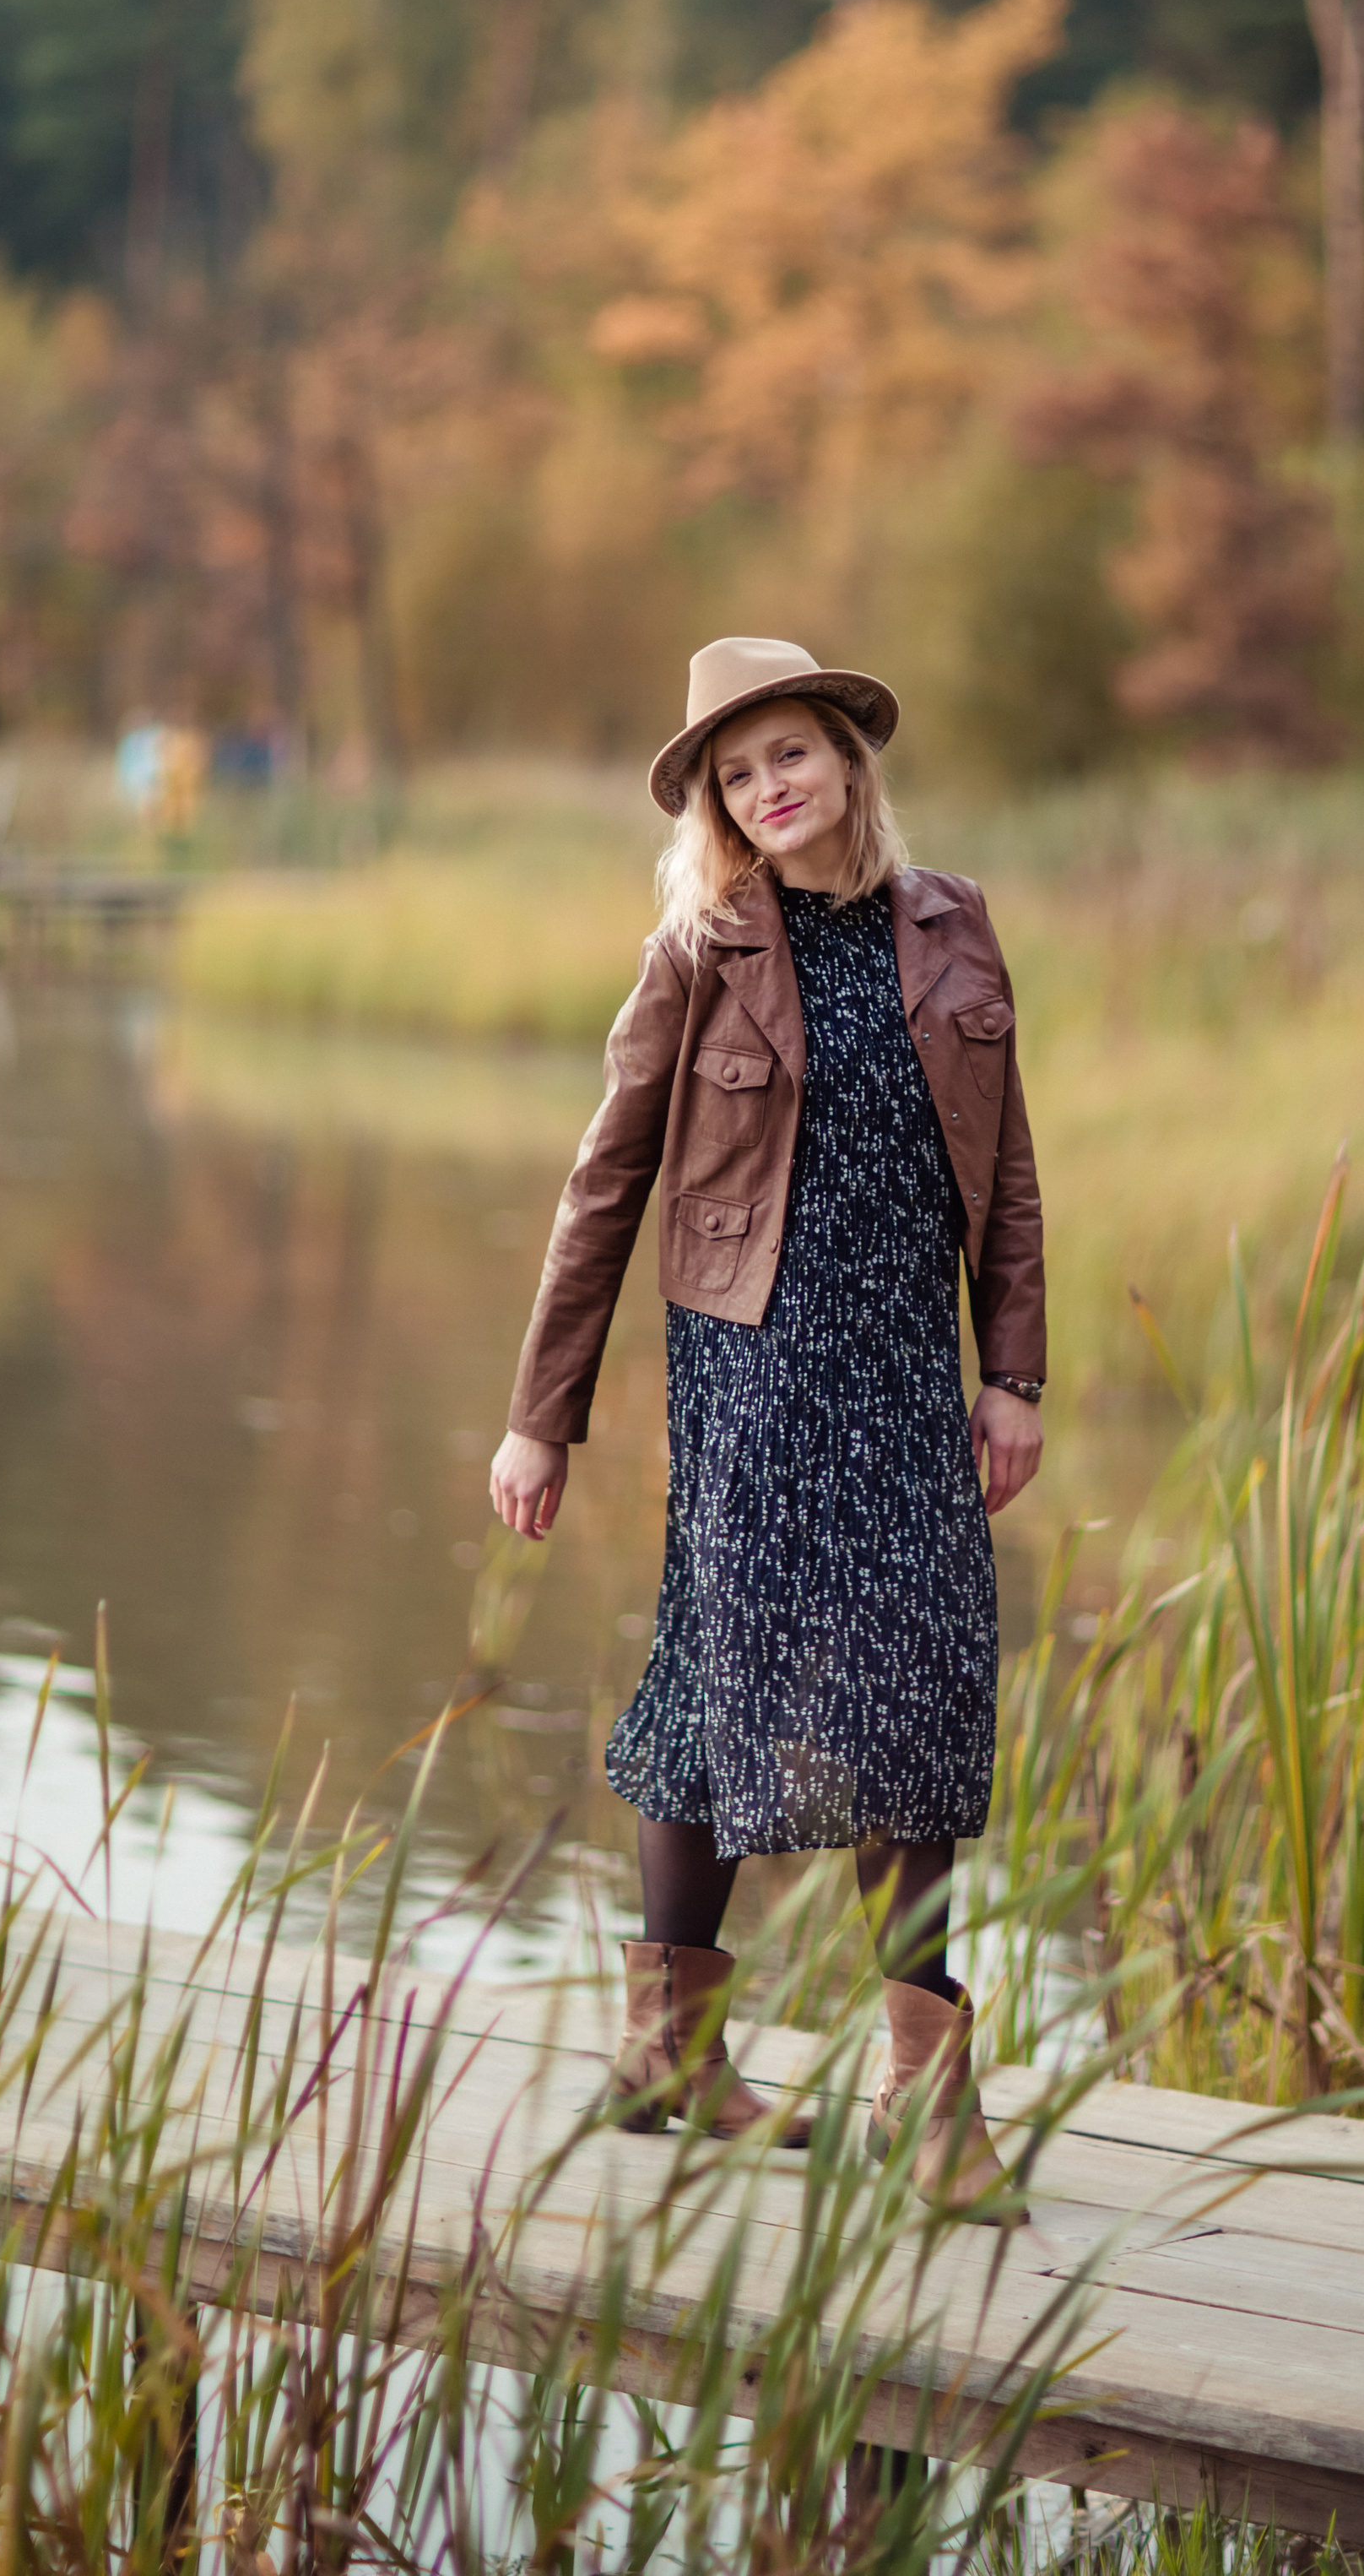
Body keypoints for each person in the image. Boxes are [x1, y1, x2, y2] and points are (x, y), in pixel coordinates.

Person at [490, 637, 1046, 2223]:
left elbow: (1006, 1170)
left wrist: (1014, 1369)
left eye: (788, 754)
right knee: (730, 1672)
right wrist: (543, 1420)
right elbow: (604, 1188)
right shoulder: (698, 952)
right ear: (717, 811)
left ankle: (907, 2084)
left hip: (902, 1371)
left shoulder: (952, 925)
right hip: (752, 1375)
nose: (769, 787)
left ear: (848, 760)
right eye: (737, 777)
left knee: (919, 1689)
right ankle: (690, 2052)